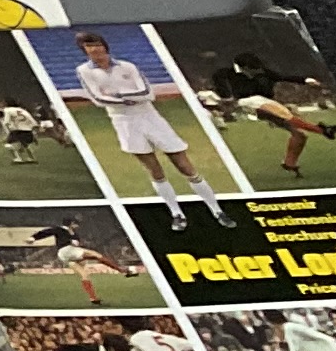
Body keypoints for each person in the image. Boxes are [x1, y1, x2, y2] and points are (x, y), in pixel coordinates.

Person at [72, 30, 223, 218]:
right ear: (84, 49)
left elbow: (147, 93)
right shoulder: (84, 71)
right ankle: (176, 213)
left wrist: (119, 96)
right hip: (123, 121)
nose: (95, 49)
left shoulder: (127, 66)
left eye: (97, 44)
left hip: (149, 116)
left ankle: (216, 210)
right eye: (89, 46)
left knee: (184, 165)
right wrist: (126, 100)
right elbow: (98, 99)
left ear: (104, 46)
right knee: (155, 171)